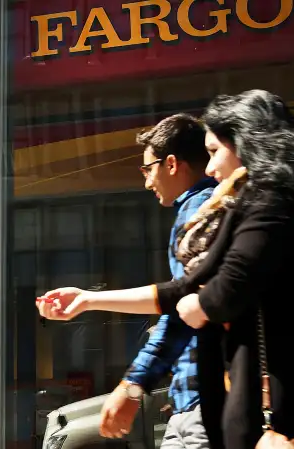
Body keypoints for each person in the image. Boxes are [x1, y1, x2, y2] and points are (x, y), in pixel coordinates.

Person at [37, 90, 294, 449]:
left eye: (215, 151)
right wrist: (88, 301)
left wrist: (193, 311)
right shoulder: (250, 205)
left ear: (245, 143)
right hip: (240, 403)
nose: (210, 167)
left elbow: (216, 291)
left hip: (278, 407)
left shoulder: (262, 204)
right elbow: (185, 289)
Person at [97, 114, 216, 449]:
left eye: (148, 169)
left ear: (172, 163)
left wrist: (133, 385)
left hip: (205, 398)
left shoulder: (200, 211)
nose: (147, 181)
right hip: (191, 399)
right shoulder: (198, 210)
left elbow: (182, 307)